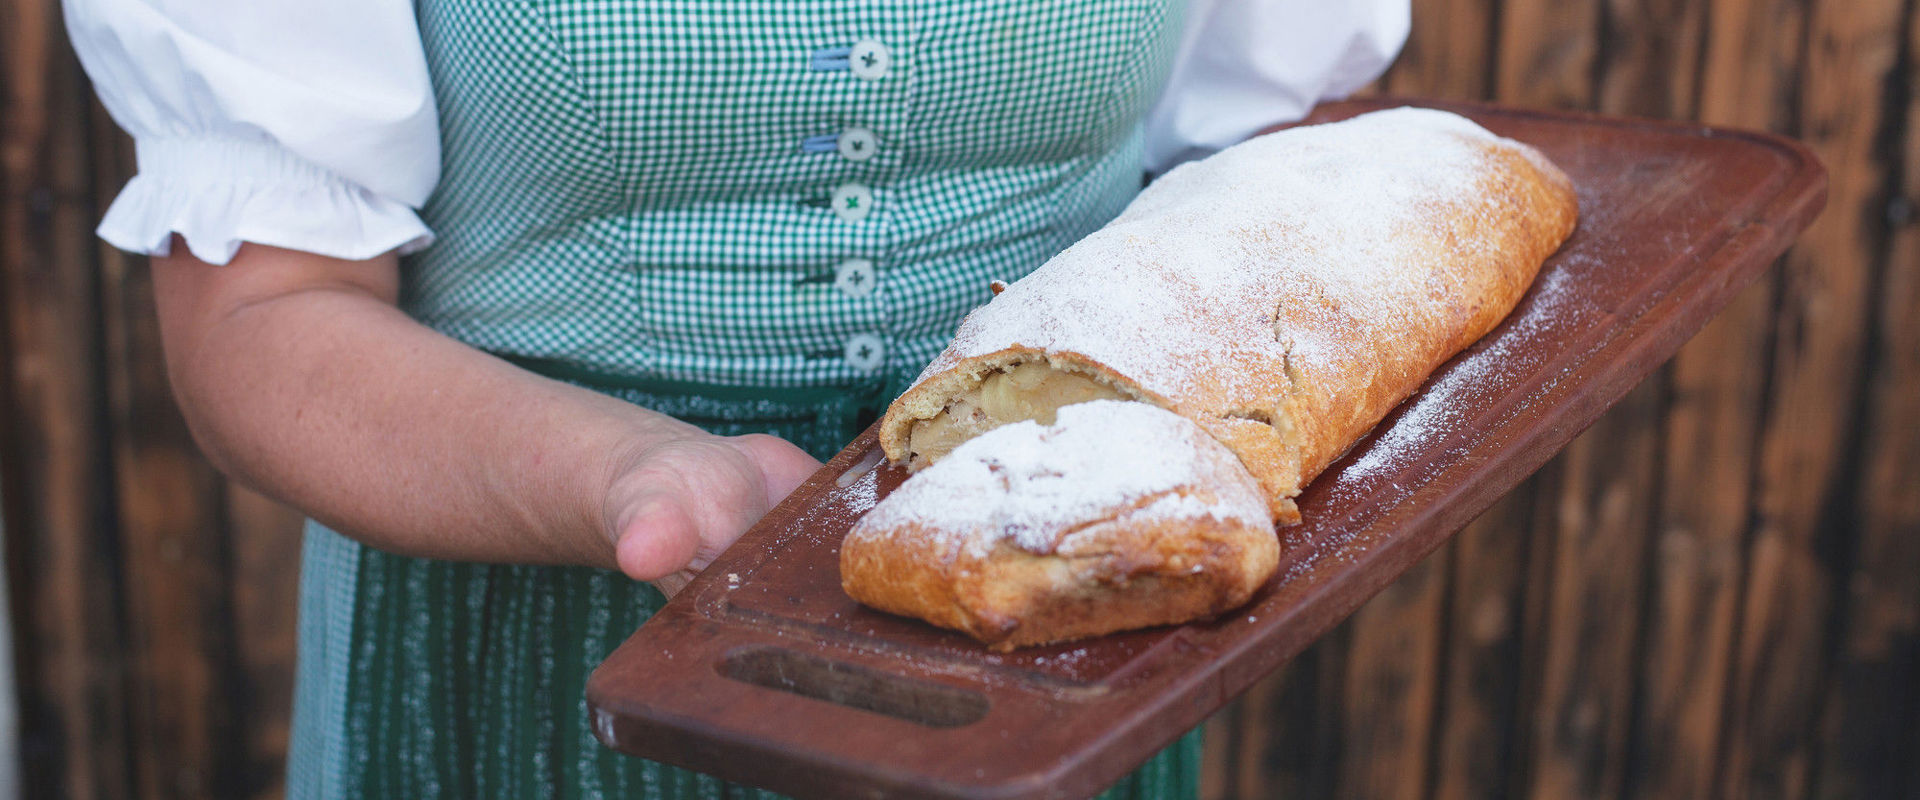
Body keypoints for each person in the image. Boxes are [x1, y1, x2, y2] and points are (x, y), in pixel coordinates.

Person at [64, 0, 1408, 796]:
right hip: (535, 627)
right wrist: (623, 474)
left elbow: (1270, 165)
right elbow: (264, 315)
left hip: (1068, 610)